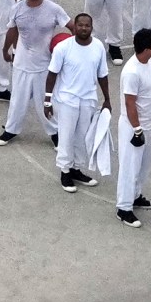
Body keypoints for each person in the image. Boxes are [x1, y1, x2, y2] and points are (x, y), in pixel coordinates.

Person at [0, 0, 69, 145]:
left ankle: (55, 133)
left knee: (45, 101)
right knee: (17, 101)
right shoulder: (17, 9)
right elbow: (12, 30)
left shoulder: (54, 9)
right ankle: (10, 129)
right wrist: (6, 50)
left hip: (44, 66)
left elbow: (72, 27)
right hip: (21, 63)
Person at [45, 11, 112, 188]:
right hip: (67, 100)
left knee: (82, 137)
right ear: (74, 27)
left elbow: (102, 75)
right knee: (66, 136)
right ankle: (65, 172)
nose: (83, 28)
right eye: (80, 25)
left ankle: (75, 169)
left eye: (87, 25)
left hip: (88, 99)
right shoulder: (63, 48)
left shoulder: (98, 46)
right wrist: (47, 100)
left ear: (91, 27)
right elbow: (52, 74)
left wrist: (107, 99)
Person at [115, 28, 151, 225]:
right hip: (133, 127)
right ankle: (123, 207)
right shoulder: (131, 72)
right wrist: (137, 129)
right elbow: (130, 103)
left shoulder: (150, 62)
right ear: (147, 48)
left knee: (144, 164)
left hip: (146, 124)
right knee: (129, 166)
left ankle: (136, 195)